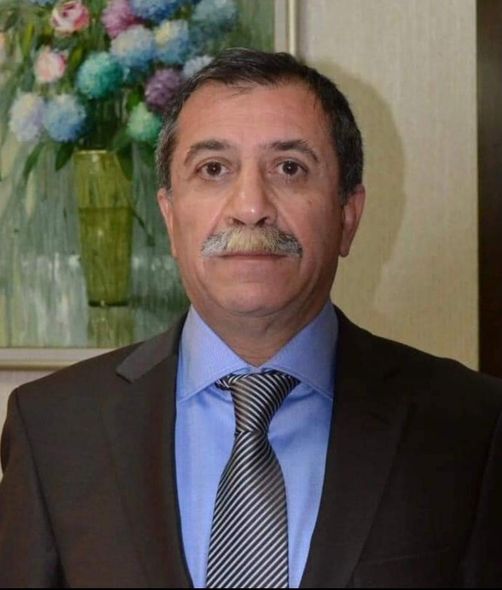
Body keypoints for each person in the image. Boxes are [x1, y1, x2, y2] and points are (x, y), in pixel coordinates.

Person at [0, 48, 501, 589]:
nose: (251, 207)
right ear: (170, 217)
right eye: (213, 169)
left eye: (290, 168)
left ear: (348, 216)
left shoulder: (471, 425)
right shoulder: (53, 427)